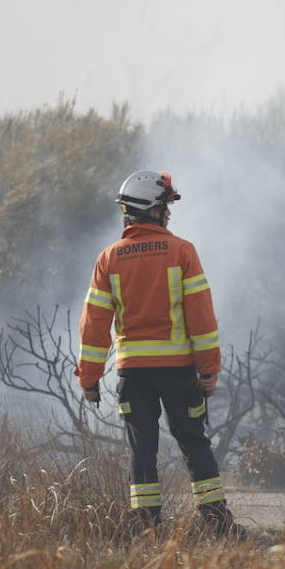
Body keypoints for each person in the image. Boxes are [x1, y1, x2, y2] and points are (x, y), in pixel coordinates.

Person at [75, 170, 239, 535]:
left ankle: (147, 527)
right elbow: (201, 316)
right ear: (151, 208)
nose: (168, 213)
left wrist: (89, 378)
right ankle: (217, 523)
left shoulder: (109, 259)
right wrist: (208, 369)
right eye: (165, 205)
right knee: (194, 443)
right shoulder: (182, 251)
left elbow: (94, 326)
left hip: (133, 374)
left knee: (142, 450)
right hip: (179, 371)